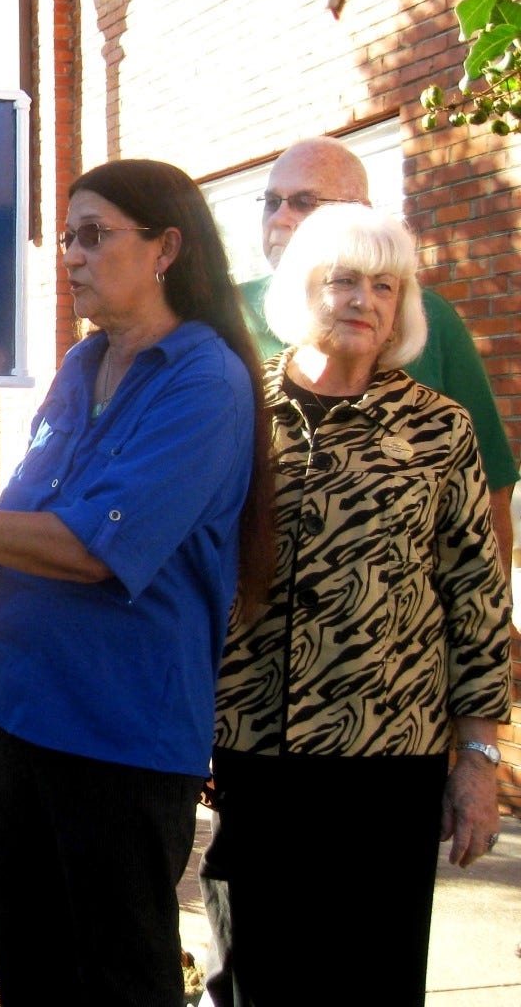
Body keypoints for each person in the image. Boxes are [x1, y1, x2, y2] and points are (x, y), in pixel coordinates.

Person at [0, 159, 272, 1007]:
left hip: (112, 735)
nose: (70, 254)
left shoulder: (204, 383)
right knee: (31, 971)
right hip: (8, 712)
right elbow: (32, 514)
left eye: (94, 234)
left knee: (116, 978)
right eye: (67, 235)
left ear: (165, 248)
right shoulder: (80, 368)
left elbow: (91, 549)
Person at [200, 204, 511, 1006]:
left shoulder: (439, 428)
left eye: (385, 285)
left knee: (373, 976)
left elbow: (475, 592)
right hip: (252, 749)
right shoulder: (237, 412)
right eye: (343, 281)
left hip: (390, 760)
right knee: (252, 974)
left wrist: (478, 757)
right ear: (303, 290)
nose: (364, 300)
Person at [240, 136, 518, 560]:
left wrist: (497, 618)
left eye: (304, 202)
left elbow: (489, 482)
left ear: (363, 215)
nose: (280, 219)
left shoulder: (426, 319)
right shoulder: (226, 315)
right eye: (271, 202)